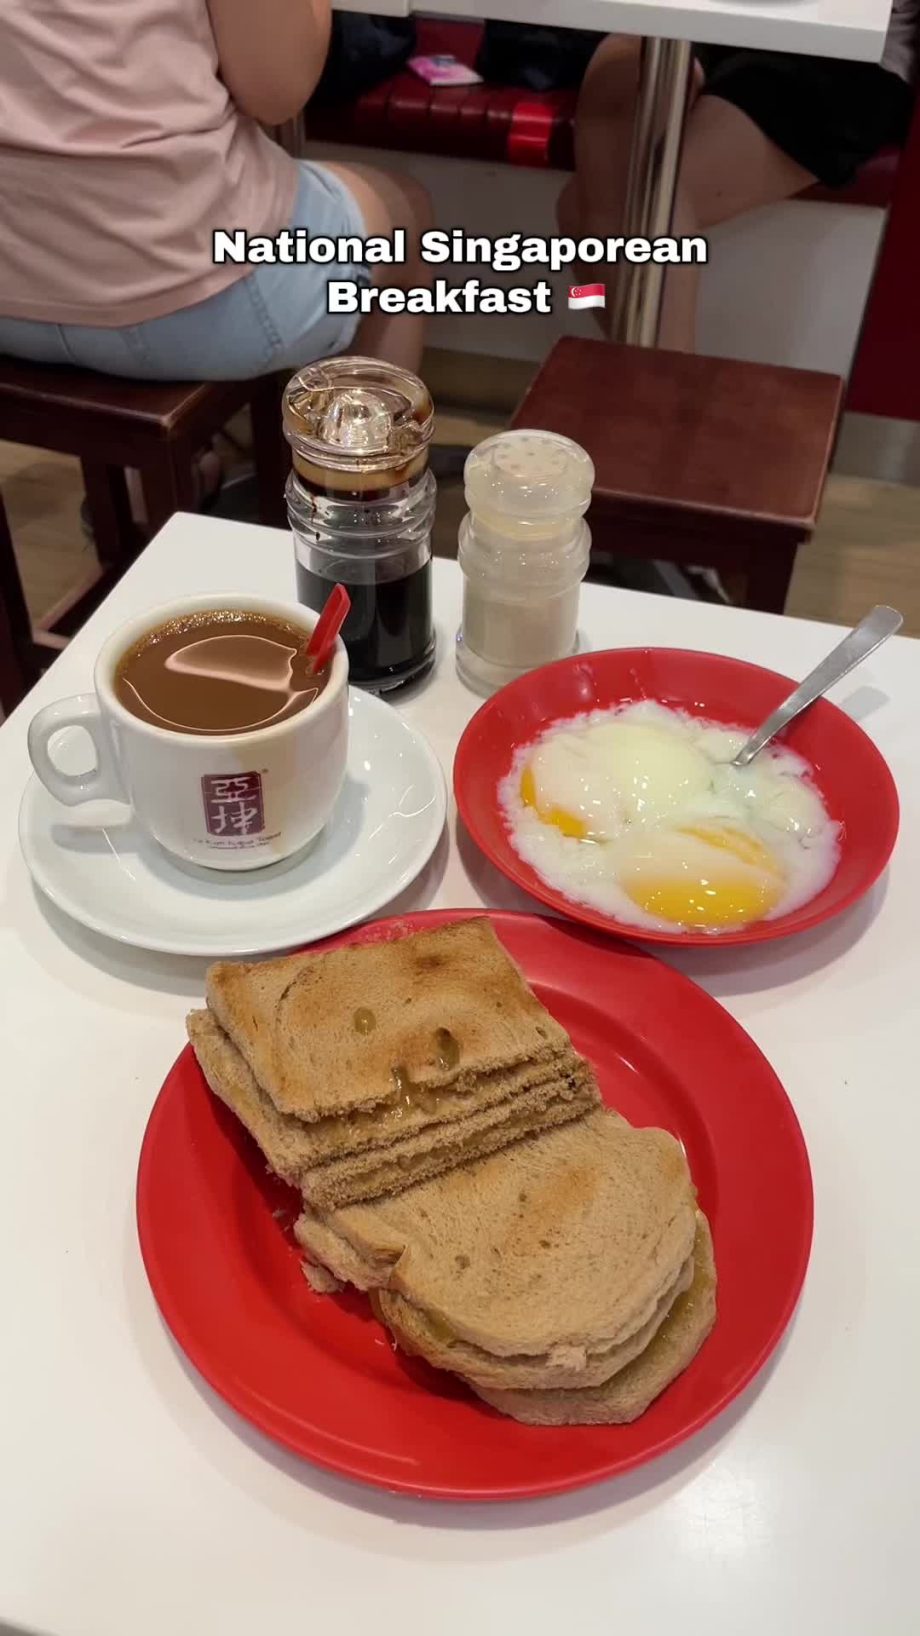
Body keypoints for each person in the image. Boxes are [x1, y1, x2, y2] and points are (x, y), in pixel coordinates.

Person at [0, 0, 432, 381]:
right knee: (406, 215)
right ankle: (360, 469)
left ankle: (168, 466)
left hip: (13, 289)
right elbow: (278, 89)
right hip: (185, 299)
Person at [559, 4, 918, 351]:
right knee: (617, 74)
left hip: (848, 49)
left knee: (612, 205)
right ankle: (665, 388)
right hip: (704, 17)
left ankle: (662, 392)